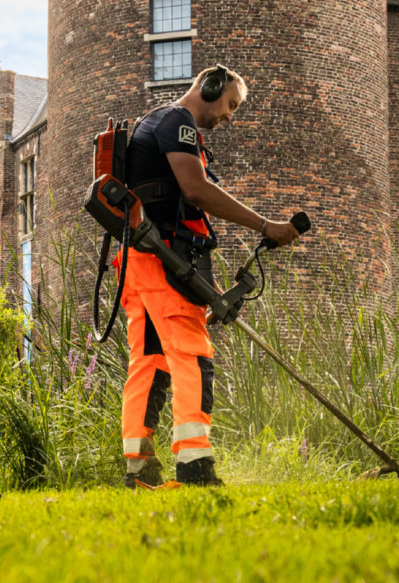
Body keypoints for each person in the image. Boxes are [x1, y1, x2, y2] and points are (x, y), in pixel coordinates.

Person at [118, 64, 300, 488]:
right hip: (163, 258)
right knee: (191, 357)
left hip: (141, 262)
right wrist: (265, 226)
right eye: (230, 105)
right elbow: (196, 190)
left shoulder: (156, 122)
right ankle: (195, 465)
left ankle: (138, 467)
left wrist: (208, 289)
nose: (229, 116)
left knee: (149, 362)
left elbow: (169, 201)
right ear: (210, 86)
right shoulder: (177, 122)